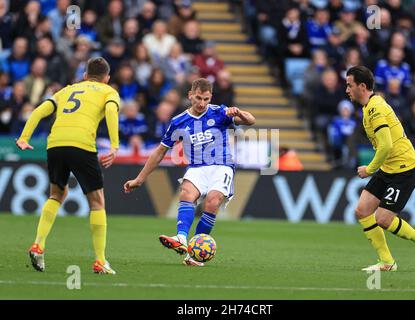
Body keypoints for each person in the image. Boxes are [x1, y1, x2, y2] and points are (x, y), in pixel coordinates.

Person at [123, 78, 255, 266]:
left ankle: (194, 255)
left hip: (222, 165)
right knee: (186, 193)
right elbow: (160, 152)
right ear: (190, 95)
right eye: (199, 98)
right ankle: (181, 239)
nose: (202, 103)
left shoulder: (219, 112)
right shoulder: (178, 122)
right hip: (196, 167)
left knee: (212, 201)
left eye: (206, 99)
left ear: (211, 98)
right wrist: (139, 179)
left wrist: (239, 112)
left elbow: (251, 121)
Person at [15, 57, 120, 275]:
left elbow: (39, 111)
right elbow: (111, 111)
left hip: (55, 143)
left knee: (56, 194)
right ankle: (100, 260)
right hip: (81, 143)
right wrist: (114, 145)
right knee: (97, 202)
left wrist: (24, 137)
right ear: (107, 79)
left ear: (84, 75)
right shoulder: (108, 92)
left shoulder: (67, 90)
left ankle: (38, 244)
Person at [345, 65, 415, 271]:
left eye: (349, 85)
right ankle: (387, 261)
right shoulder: (370, 106)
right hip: (389, 168)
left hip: (404, 169)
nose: (347, 90)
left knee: (383, 219)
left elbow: (386, 145)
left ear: (362, 86)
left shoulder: (375, 108)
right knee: (362, 210)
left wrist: (369, 169)